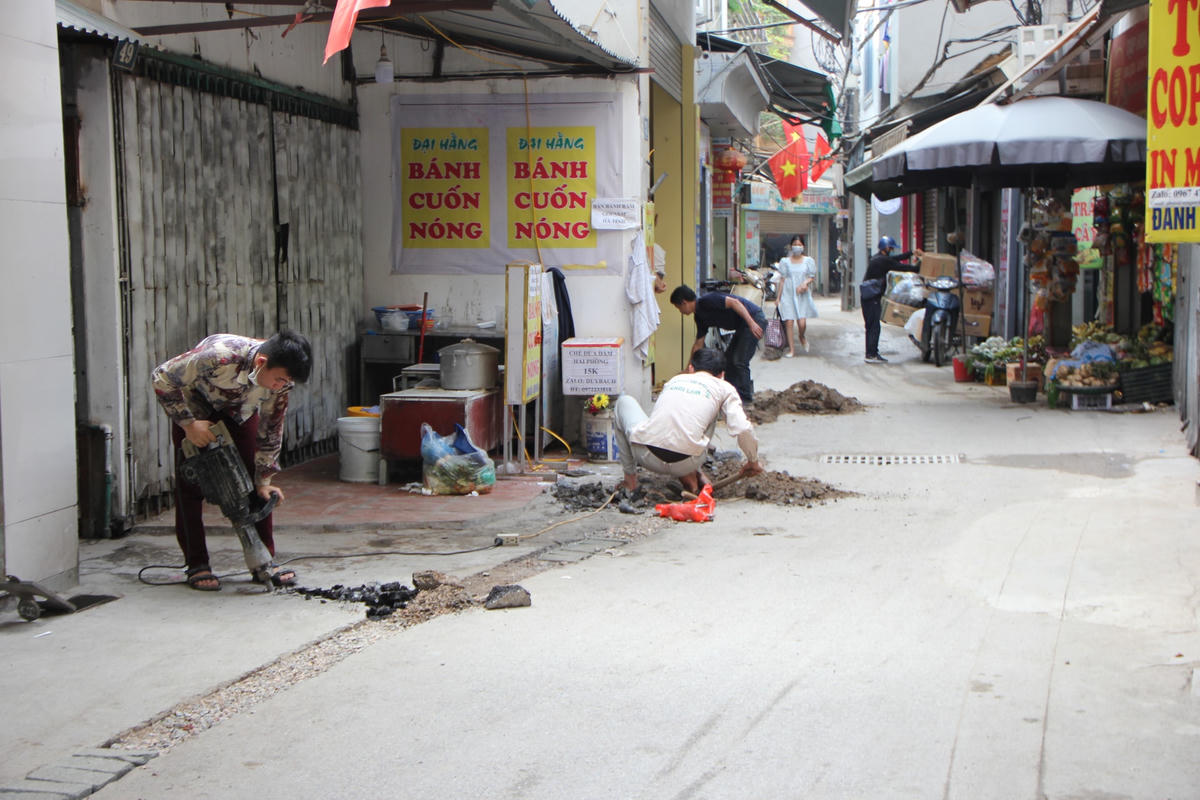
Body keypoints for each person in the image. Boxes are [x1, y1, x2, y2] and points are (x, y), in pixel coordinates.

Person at [152, 331, 313, 591]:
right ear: (261, 363)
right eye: (279, 379)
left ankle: (264, 562)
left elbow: (272, 428)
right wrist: (189, 425)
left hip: (240, 412)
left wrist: (264, 479)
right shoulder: (219, 357)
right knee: (190, 483)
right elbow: (161, 376)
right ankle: (197, 564)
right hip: (195, 409)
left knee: (254, 486)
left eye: (286, 381)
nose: (280, 385)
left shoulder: (281, 383)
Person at [613, 348, 764, 494]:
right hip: (686, 463)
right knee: (706, 414)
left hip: (646, 456)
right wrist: (753, 461)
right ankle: (691, 475)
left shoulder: (676, 380)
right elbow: (742, 429)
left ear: (691, 368)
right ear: (721, 375)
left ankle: (630, 480)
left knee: (624, 402)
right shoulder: (725, 388)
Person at [669, 284, 766, 405]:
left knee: (739, 360)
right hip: (742, 327)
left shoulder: (707, 301)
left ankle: (745, 399)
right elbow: (698, 345)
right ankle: (731, 395)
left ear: (684, 303)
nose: (681, 312)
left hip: (753, 318)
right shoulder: (700, 317)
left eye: (679, 308)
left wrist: (752, 323)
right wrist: (688, 370)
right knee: (728, 360)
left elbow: (734, 303)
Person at [861, 236, 923, 363]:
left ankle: (870, 353)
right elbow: (902, 267)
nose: (892, 250)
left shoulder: (877, 257)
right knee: (874, 327)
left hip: (867, 297)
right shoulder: (882, 261)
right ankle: (871, 354)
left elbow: (895, 259)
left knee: (871, 326)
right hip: (872, 297)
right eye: (891, 248)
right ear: (886, 248)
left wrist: (911, 253)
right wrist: (920, 267)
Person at [776, 237, 818, 357]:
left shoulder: (808, 261)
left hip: (801, 294)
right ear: (791, 246)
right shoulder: (785, 262)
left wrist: (805, 283)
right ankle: (792, 350)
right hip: (788, 293)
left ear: (803, 246)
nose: (797, 246)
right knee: (789, 322)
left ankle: (801, 336)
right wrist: (778, 297)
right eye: (795, 244)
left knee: (802, 323)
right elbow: (782, 280)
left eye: (799, 244)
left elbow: (811, 276)